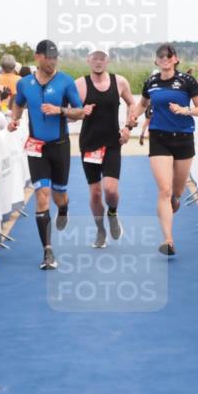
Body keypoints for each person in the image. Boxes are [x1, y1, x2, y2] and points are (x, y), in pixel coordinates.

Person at [8, 39, 93, 269]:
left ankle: (64, 207)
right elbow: (18, 104)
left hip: (60, 146)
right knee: (42, 195)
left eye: (55, 58)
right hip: (36, 147)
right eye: (48, 58)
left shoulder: (65, 81)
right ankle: (47, 251)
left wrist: (60, 110)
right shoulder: (25, 83)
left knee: (58, 195)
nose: (52, 62)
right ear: (38, 57)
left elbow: (80, 113)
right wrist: (14, 119)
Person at [126, 43, 198, 256]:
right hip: (159, 137)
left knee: (176, 194)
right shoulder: (151, 82)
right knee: (164, 190)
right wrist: (134, 116)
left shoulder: (187, 81)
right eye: (161, 56)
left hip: (184, 138)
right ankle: (168, 240)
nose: (165, 59)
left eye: (169, 56)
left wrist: (185, 110)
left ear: (175, 59)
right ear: (156, 61)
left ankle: (172, 203)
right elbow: (143, 104)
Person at [75, 49, 136, 248]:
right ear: (88, 60)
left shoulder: (120, 82)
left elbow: (131, 103)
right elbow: (67, 113)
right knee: (94, 193)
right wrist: (80, 112)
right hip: (89, 144)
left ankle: (113, 213)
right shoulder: (80, 84)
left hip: (112, 143)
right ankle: (100, 230)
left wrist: (128, 127)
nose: (98, 62)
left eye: (102, 58)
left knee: (110, 190)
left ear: (108, 61)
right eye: (95, 58)